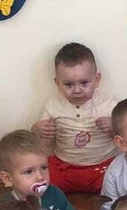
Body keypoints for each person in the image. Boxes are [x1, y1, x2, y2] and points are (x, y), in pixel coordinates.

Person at [32, 42, 118, 194]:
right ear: (57, 83)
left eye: (84, 83)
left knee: (118, 180)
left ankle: (108, 200)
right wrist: (37, 129)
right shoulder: (53, 105)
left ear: (97, 79)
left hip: (103, 166)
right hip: (65, 167)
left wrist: (114, 126)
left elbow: (125, 135)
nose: (77, 90)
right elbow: (45, 141)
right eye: (68, 84)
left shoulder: (109, 104)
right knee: (43, 182)